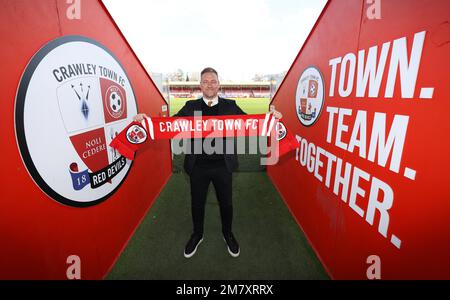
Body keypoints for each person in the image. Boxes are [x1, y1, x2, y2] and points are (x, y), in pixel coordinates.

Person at [134, 67, 282, 258]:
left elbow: (250, 123)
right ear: (200, 85)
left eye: (213, 81)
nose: (210, 84)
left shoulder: (230, 105)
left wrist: (271, 118)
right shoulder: (189, 106)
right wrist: (145, 122)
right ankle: (197, 234)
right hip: (197, 166)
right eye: (206, 81)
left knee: (226, 203)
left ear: (219, 84)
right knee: (197, 203)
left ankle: (227, 233)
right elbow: (168, 126)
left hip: (223, 166)